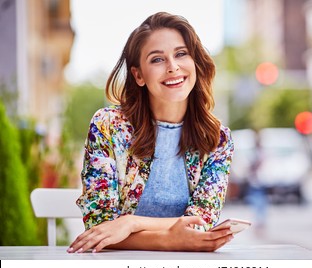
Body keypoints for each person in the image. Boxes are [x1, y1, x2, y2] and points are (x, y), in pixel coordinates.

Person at [67, 12, 234, 253]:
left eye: (181, 54)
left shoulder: (217, 138)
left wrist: (130, 222)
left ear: (194, 61)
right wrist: (170, 239)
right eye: (157, 60)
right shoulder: (108, 126)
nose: (173, 67)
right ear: (138, 75)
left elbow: (201, 223)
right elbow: (99, 226)